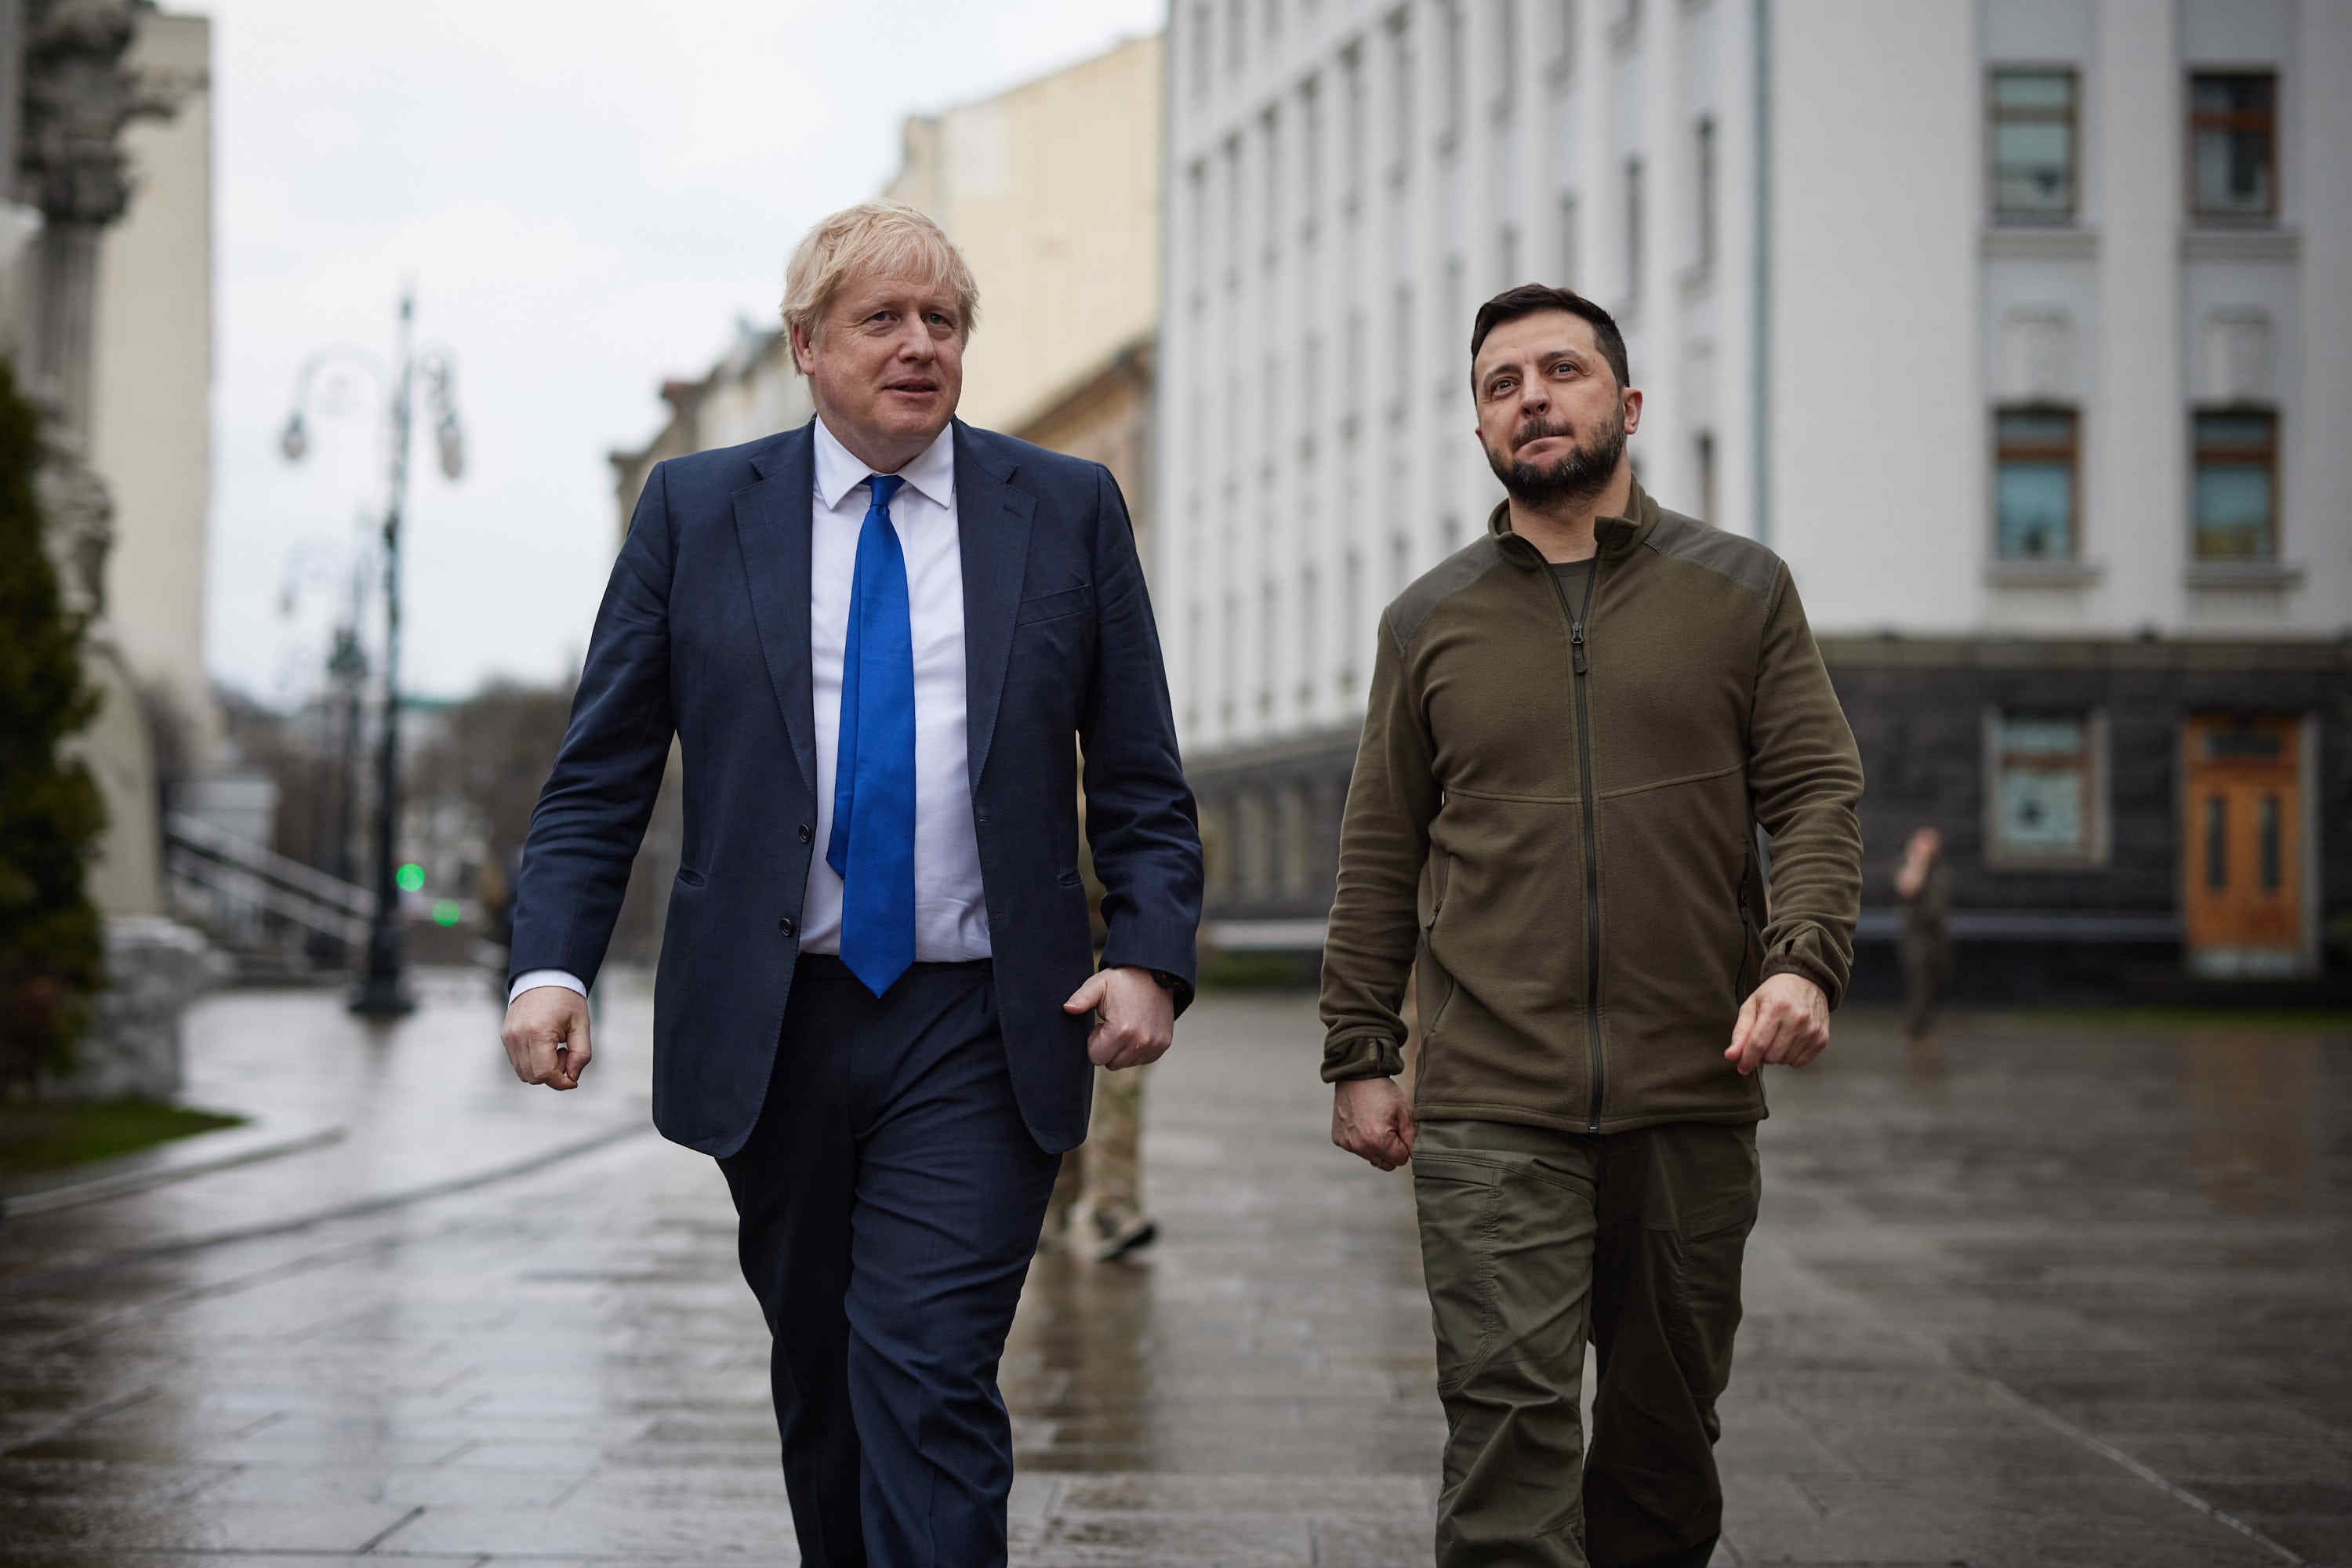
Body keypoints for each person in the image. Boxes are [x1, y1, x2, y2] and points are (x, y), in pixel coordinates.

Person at [496, 201, 1202, 1567]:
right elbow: (604, 770)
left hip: (983, 1020)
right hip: (778, 1020)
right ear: (808, 344)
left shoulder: (1061, 510)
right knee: (823, 1372)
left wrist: (1152, 950)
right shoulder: (700, 512)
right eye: (883, 319)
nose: (920, 345)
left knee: (928, 1369)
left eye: (944, 322)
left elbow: (1137, 770)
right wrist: (548, 966)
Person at [1320, 282, 1864, 1567]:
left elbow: (1816, 788)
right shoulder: (1430, 620)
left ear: (1624, 404)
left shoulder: (1741, 592)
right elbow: (1380, 843)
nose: (1532, 400)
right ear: (1480, 433)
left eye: (1559, 372)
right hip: (1493, 1102)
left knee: (1664, 1451)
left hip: (1693, 1087)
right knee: (1508, 1437)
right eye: (1501, 385)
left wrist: (1804, 962)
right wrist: (1358, 1047)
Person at [1896, 825, 1951, 1042]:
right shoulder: (1910, 866)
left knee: (1937, 984)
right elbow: (1907, 887)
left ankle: (1928, 1027)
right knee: (1919, 988)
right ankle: (1916, 1033)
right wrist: (1918, 859)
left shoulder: (1941, 869)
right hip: (1917, 938)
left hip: (1939, 935)